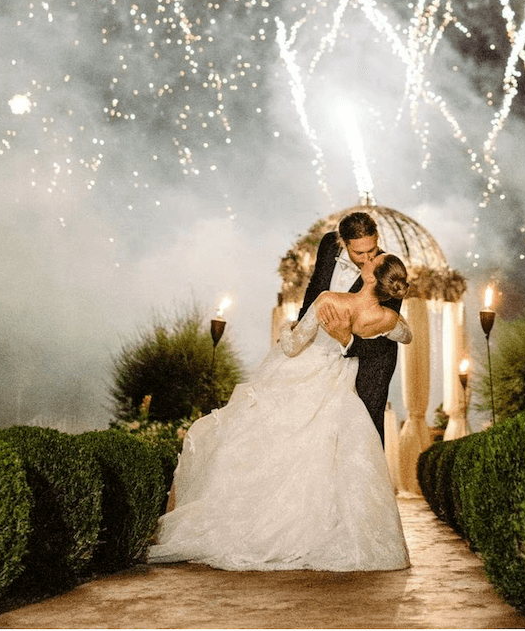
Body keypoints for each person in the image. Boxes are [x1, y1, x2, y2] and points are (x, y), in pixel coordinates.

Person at [147, 251, 412, 571]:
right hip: (341, 386)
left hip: (305, 375)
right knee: (327, 458)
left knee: (264, 444)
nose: (365, 261)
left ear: (370, 276)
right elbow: (405, 335)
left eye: (371, 260)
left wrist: (288, 329)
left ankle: (261, 526)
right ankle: (318, 531)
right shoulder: (388, 319)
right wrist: (361, 335)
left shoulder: (330, 301)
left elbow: (293, 346)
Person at [298, 210, 400, 443]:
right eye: (359, 252)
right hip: (325, 357)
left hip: (369, 364)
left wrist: (347, 339)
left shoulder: (388, 268)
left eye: (372, 250)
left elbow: (386, 335)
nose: (367, 259)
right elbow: (315, 287)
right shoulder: (327, 245)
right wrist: (301, 322)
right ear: (343, 243)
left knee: (362, 438)